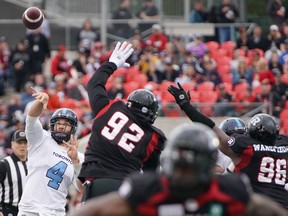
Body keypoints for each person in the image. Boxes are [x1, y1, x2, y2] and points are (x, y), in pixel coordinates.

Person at [68, 123, 287, 216]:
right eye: (181, 165)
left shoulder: (230, 190)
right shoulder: (146, 188)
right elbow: (94, 211)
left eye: (191, 166)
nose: (185, 173)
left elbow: (268, 210)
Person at [167, 82, 288, 210]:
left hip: (255, 208)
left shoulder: (247, 148)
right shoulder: (284, 146)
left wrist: (186, 106)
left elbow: (211, 128)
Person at [78, 41, 166, 201]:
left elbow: (94, 84)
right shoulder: (153, 137)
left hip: (97, 182)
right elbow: (150, 175)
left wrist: (111, 64)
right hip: (127, 187)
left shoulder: (109, 108)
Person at [17, 88, 84, 216]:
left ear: (73, 129)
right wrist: (41, 102)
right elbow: (31, 118)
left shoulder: (78, 156)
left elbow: (82, 189)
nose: (61, 126)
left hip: (55, 213)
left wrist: (75, 162)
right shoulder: (41, 139)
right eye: (58, 122)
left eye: (66, 124)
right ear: (52, 125)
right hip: (30, 210)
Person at [0, 130, 28, 216]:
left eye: (25, 142)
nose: (22, 146)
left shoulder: (32, 165)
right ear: (12, 144)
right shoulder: (4, 164)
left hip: (28, 211)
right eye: (19, 143)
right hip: (9, 210)